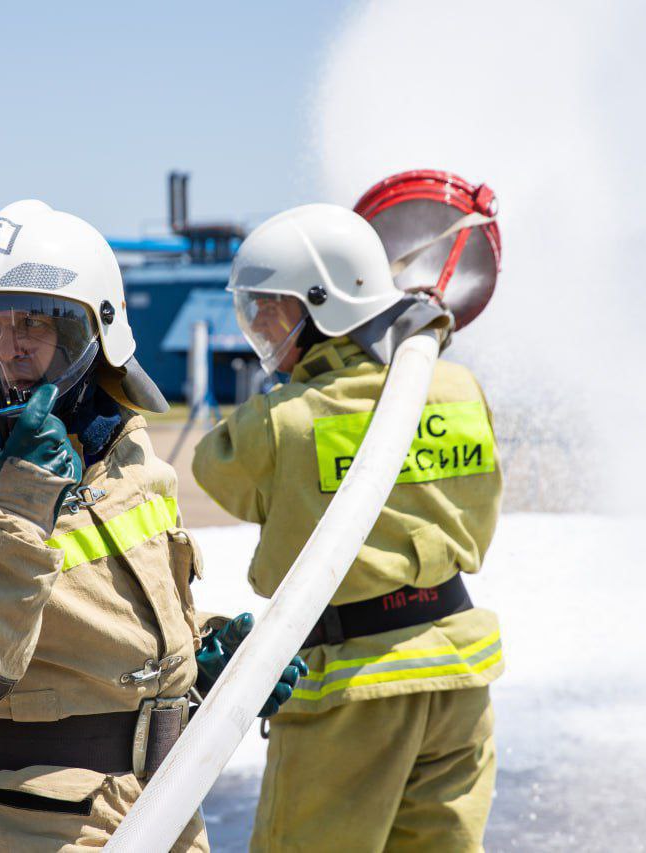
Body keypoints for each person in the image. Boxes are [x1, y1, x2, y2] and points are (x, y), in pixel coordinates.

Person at [0, 200, 303, 852]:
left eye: (33, 321)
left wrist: (203, 659)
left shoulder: (125, 452)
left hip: (167, 798)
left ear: (98, 331)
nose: (6, 347)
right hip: (35, 821)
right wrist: (17, 508)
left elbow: (110, 617)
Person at [192, 196, 504, 852]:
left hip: (350, 692)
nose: (262, 324)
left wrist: (290, 392)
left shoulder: (284, 420)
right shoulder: (457, 388)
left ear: (322, 308)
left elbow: (215, 469)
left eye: (273, 308)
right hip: (458, 675)